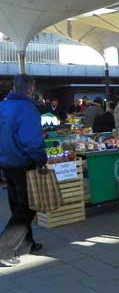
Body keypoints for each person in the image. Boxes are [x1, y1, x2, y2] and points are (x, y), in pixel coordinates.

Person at [0, 75, 48, 265]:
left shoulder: (3, 106)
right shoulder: (27, 109)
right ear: (31, 88)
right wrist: (40, 159)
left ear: (13, 87)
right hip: (22, 163)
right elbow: (32, 141)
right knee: (27, 207)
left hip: (5, 164)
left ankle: (26, 243)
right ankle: (4, 249)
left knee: (16, 204)